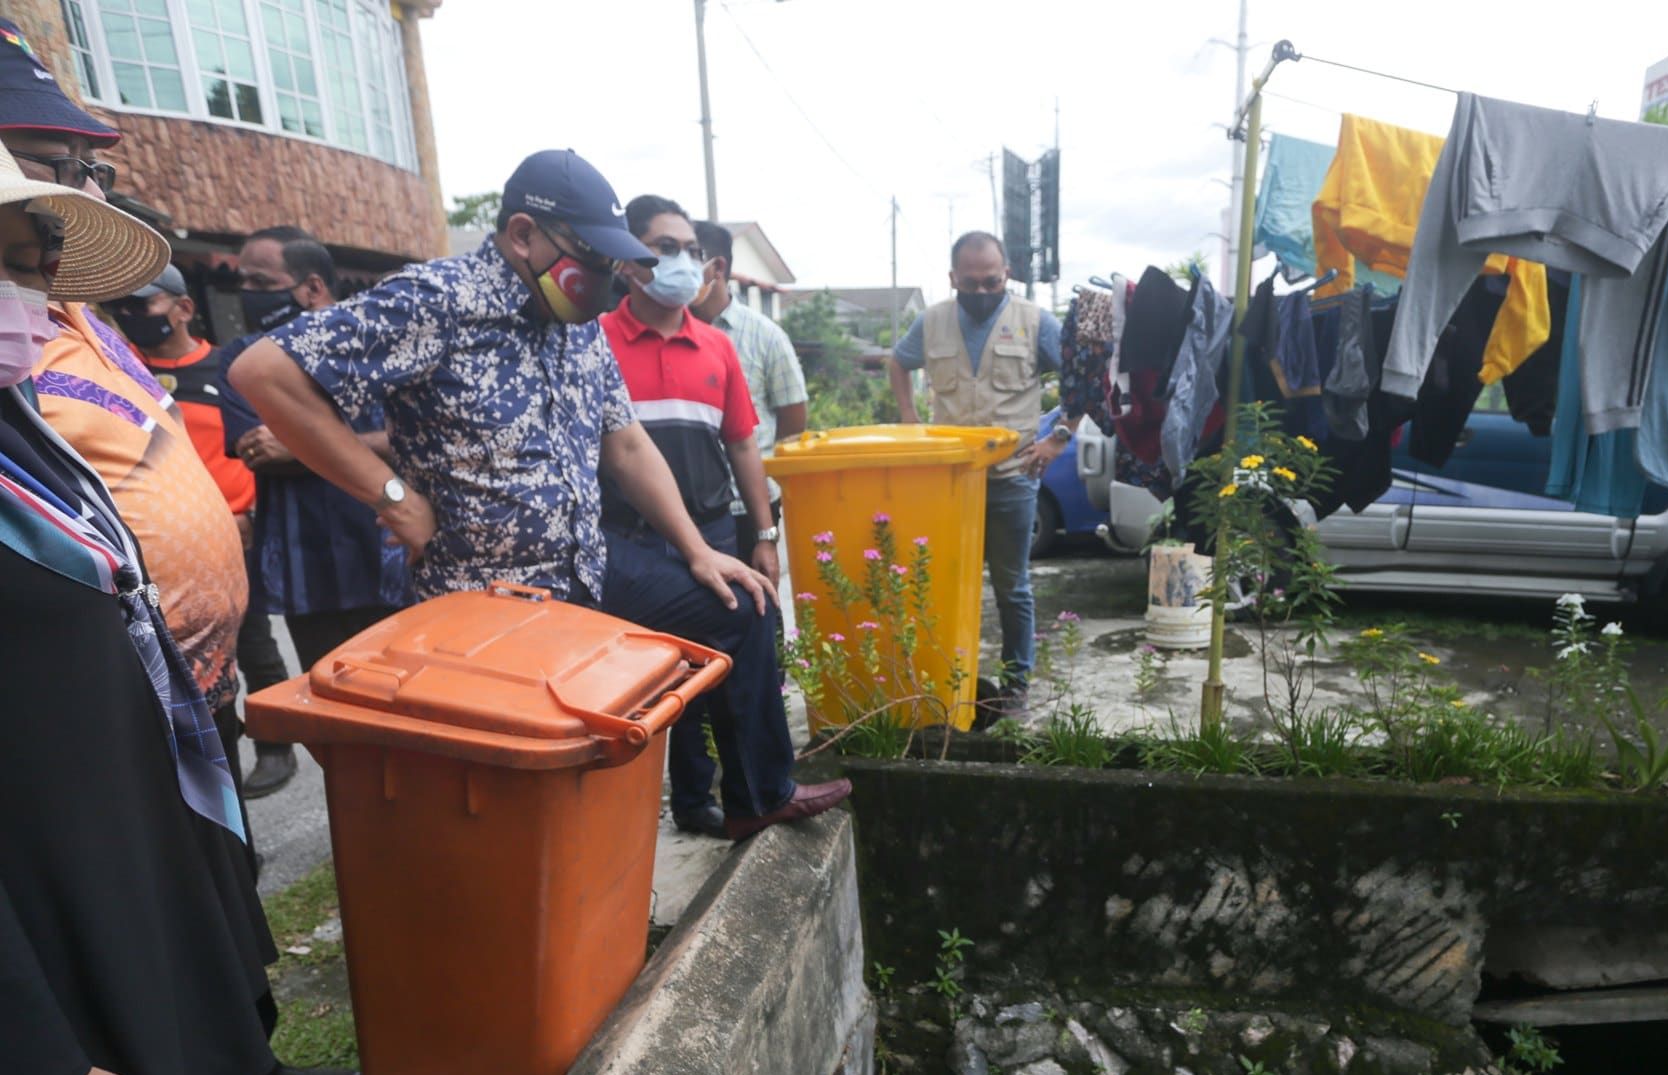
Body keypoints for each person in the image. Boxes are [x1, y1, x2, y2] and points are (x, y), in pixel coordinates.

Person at [0, 23, 360, 1075]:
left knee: (210, 910)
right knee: (126, 965)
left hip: (158, 688)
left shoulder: (71, 322)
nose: (68, 207)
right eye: (44, 174)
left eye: (80, 181)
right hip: (76, 754)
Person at [229, 149, 849, 840]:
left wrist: (699, 549)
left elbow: (627, 443)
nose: (610, 279)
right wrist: (394, 498)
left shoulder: (575, 322)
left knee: (740, 606)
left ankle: (758, 795)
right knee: (527, 785)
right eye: (593, 255)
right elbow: (266, 374)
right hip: (486, 599)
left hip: (585, 565)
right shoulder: (438, 299)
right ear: (523, 234)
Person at [0, 141, 283, 1075]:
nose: (35, 299)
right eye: (11, 266)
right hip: (55, 1041)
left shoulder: (18, 431)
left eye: (39, 262)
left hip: (127, 970)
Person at [603, 197, 779, 835]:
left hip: (709, 532)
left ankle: (735, 802)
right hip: (624, 542)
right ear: (628, 262)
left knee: (722, 668)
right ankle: (650, 815)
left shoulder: (717, 348)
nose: (684, 263)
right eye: (664, 247)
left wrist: (762, 535)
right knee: (645, 685)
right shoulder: (594, 343)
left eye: (691, 250)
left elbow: (741, 446)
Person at [107, 263, 297, 798]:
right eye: (119, 306)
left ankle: (276, 745)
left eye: (142, 303)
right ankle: (211, 756)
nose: (127, 315)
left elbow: (264, 447)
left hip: (234, 536)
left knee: (254, 641)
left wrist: (251, 515)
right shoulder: (121, 374)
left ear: (184, 307)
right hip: (153, 550)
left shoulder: (229, 371)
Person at [888, 231, 1064, 714]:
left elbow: (1085, 379)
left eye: (992, 281)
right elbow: (898, 364)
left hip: (1012, 476)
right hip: (949, 482)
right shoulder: (932, 321)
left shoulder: (1034, 321)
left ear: (1006, 273)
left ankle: (1015, 684)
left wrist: (1057, 437)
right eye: (972, 283)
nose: (983, 292)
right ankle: (944, 677)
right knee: (942, 582)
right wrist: (909, 415)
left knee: (1012, 586)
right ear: (953, 279)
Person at [216, 226, 408, 669]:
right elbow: (257, 450)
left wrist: (294, 444)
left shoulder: (377, 346)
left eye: (262, 283)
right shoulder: (243, 359)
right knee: (329, 704)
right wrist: (367, 444)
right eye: (242, 282)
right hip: (309, 570)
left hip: (391, 550)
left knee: (412, 699)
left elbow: (416, 439)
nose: (247, 293)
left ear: (313, 288)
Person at [687, 218, 806, 567]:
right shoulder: (669, 335)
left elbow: (793, 417)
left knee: (757, 608)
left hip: (748, 508)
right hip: (686, 509)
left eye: (687, 257)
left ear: (717, 267)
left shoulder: (765, 336)